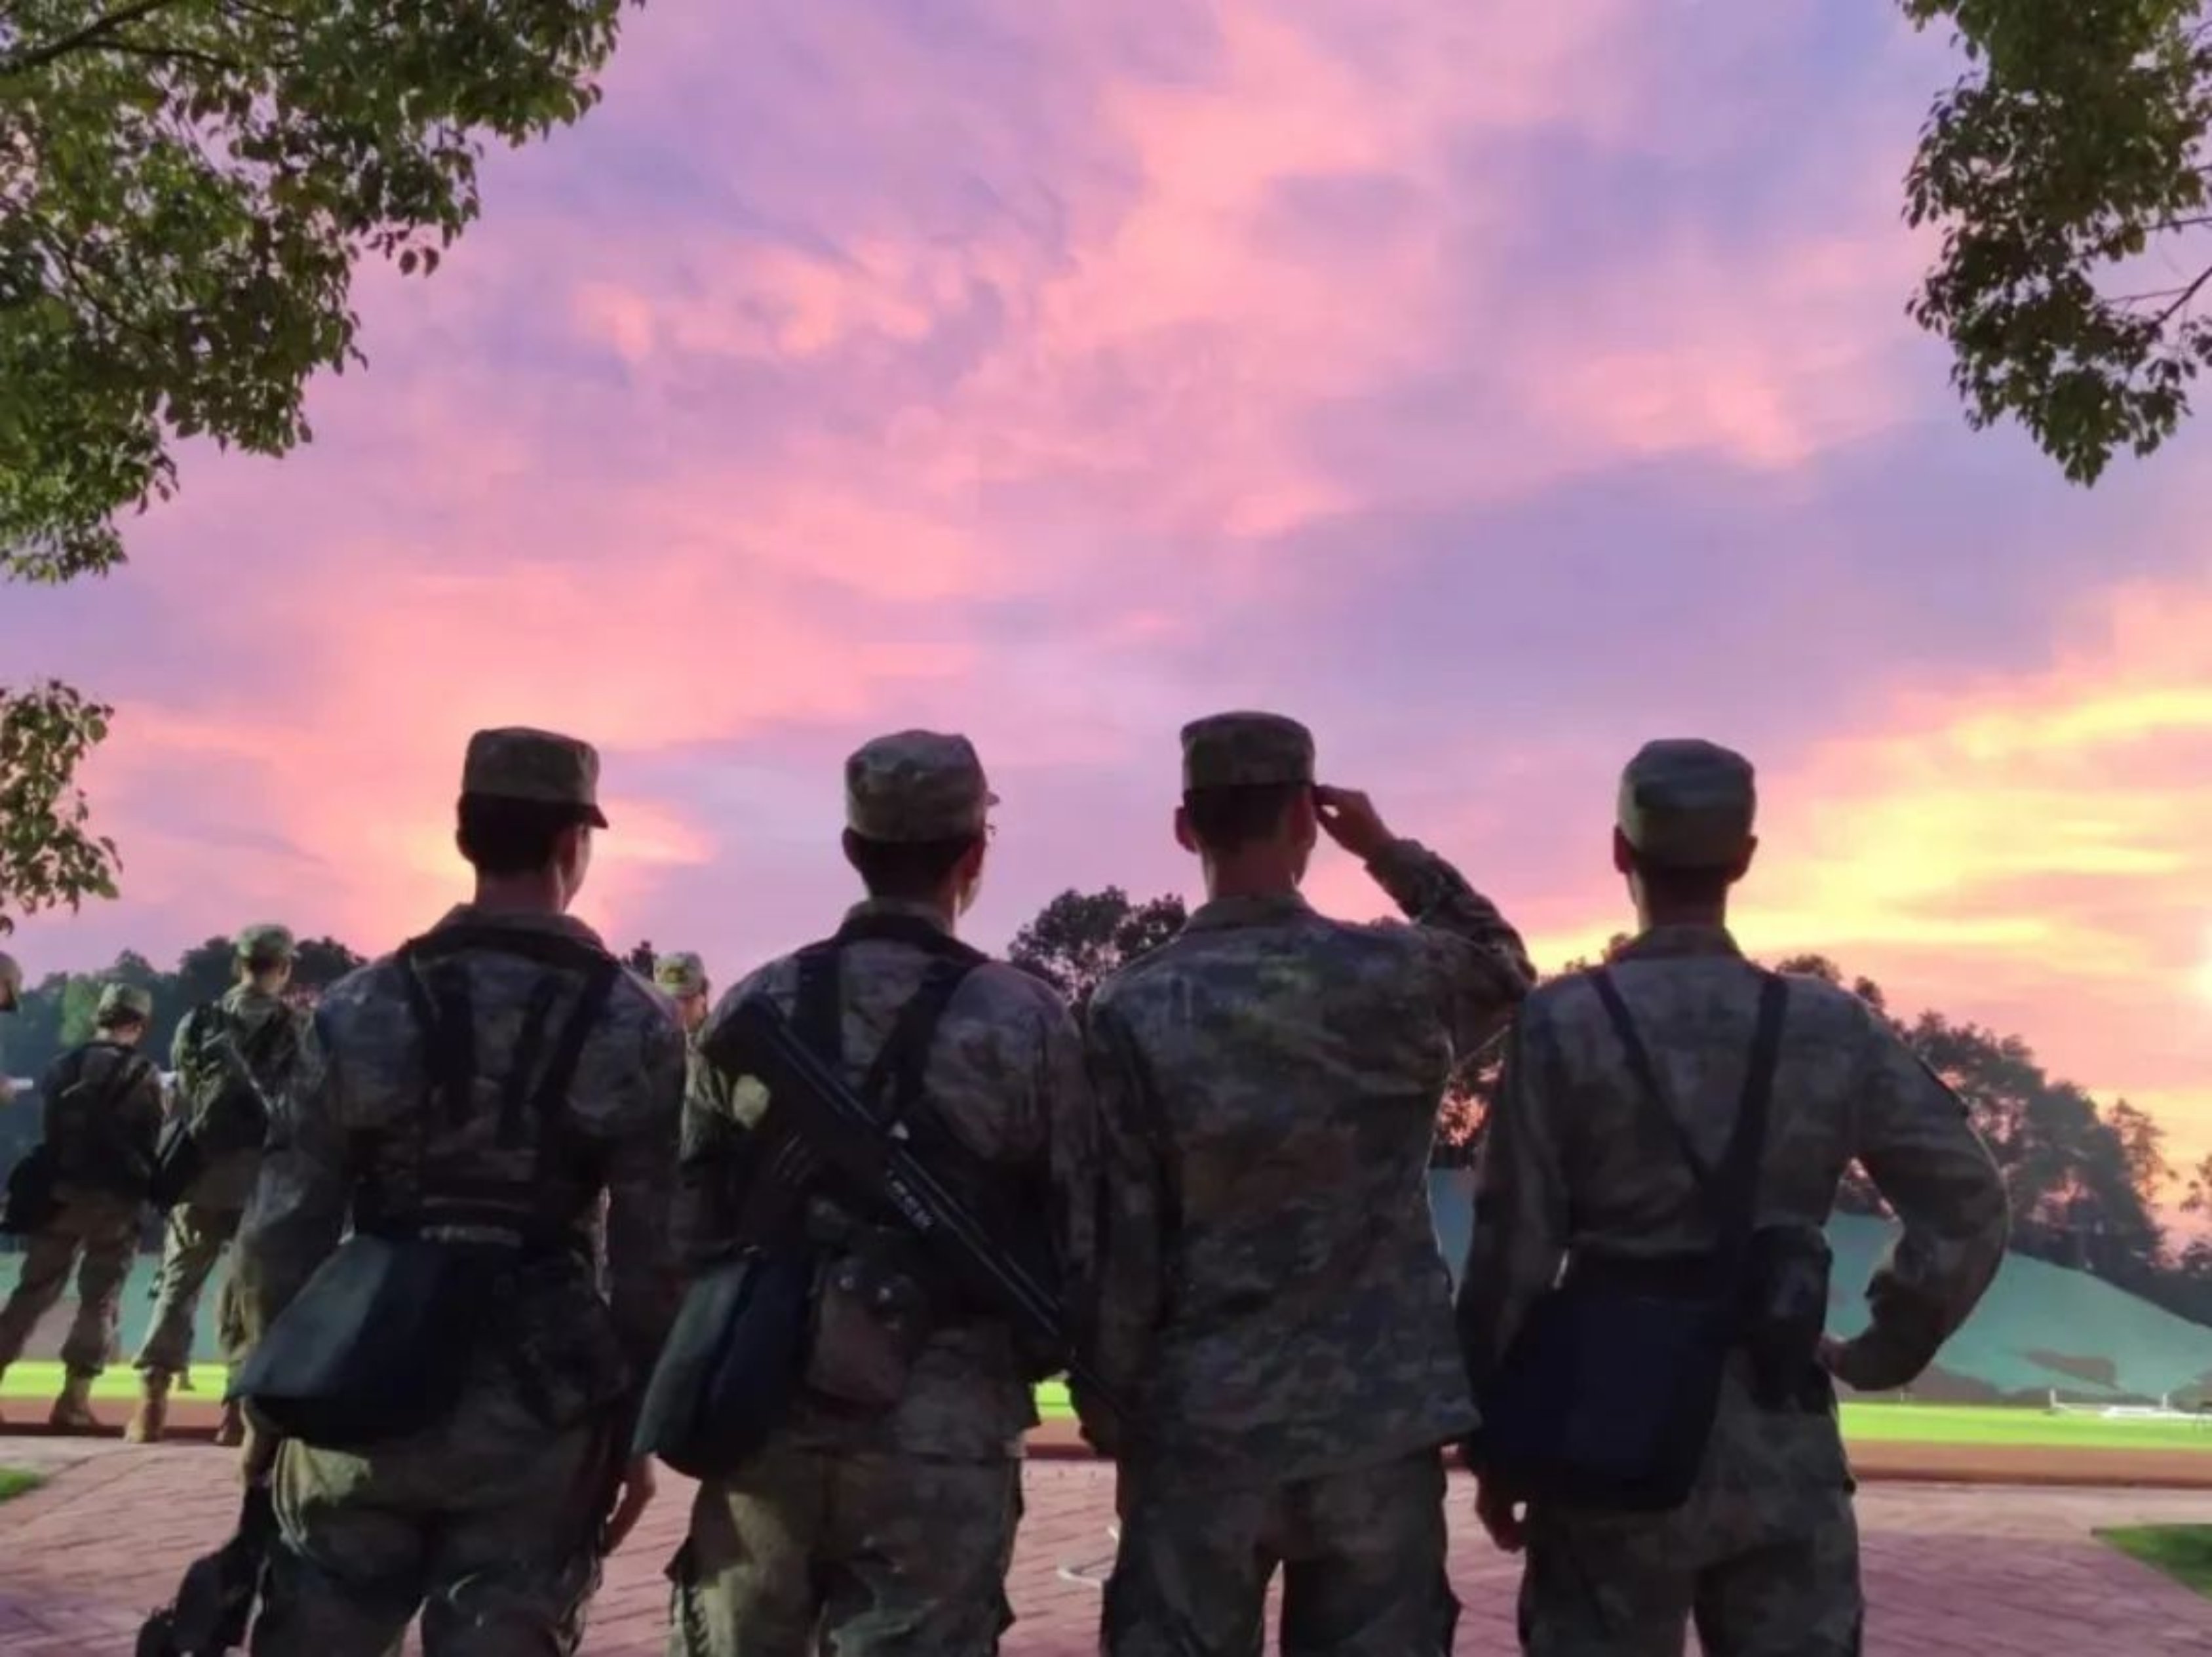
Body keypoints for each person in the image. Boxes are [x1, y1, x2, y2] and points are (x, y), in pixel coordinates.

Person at [1458, 738, 2010, 1656]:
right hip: (1779, 1433)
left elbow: (1511, 1245)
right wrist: (1882, 1350)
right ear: (1744, 858)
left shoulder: (1563, 1023)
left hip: (1603, 1434)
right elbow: (1967, 1200)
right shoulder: (1828, 1025)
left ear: (1620, 852)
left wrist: (1495, 1437)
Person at [1077, 711, 1535, 1656]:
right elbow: (1503, 967)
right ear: (1303, 819)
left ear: (1185, 828)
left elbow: (1119, 1233)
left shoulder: (1130, 1005)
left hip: (1200, 1422)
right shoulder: (1399, 972)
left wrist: (1112, 1407)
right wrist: (1388, 853)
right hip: (1375, 1423)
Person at [233, 726, 685, 1657]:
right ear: (573, 844)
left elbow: (283, 1225)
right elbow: (654, 1253)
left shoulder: (360, 1006)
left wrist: (268, 1395)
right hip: (540, 1407)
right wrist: (636, 1425)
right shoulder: (632, 1020)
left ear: (463, 834)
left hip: (359, 1376)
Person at [668, 730, 1094, 1656]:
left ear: (852, 848)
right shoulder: (1026, 1019)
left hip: (762, 1407)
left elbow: (688, 1223)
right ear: (974, 853)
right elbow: (1081, 1230)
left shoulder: (755, 1003)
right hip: (942, 1429)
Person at [132, 923, 312, 1445]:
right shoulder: (298, 1026)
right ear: (284, 968)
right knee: (247, 1294)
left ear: (239, 964)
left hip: (200, 1174)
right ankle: (236, 1414)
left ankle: (151, 1405)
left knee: (177, 1284)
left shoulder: (198, 1021)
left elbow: (184, 1095)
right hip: (263, 1178)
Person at [0, 982, 164, 1427]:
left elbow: (51, 1131)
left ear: (99, 1017)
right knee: (100, 1301)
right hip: (116, 1204)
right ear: (139, 1024)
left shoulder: (62, 1067)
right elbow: (151, 1139)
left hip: (59, 1198)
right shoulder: (144, 1074)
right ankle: (72, 1402)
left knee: (30, 1294)